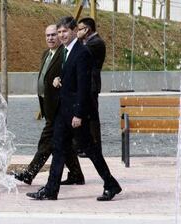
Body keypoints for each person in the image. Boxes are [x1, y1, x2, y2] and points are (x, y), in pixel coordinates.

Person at [26, 16, 121, 201]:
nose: (61, 35)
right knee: (59, 148)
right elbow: (70, 74)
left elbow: (85, 86)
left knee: (90, 150)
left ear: (74, 30)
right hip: (63, 111)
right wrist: (58, 79)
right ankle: (51, 189)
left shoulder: (82, 52)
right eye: (59, 32)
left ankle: (111, 183)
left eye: (65, 31)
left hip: (76, 113)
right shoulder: (66, 52)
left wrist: (79, 114)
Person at [13, 24, 85, 186]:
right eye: (48, 35)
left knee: (46, 142)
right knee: (64, 143)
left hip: (59, 107)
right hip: (48, 105)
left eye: (54, 35)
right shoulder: (46, 53)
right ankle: (76, 174)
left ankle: (29, 174)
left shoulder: (64, 54)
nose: (51, 38)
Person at [76, 17, 105, 155]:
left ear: (87, 29)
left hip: (91, 85)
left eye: (80, 29)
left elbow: (80, 53)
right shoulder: (88, 42)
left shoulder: (96, 42)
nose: (78, 31)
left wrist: (77, 39)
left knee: (92, 117)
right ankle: (84, 146)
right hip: (86, 84)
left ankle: (94, 147)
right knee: (85, 116)